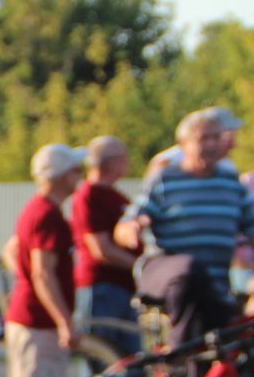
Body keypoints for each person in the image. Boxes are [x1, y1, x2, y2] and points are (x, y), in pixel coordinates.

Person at [128, 108, 254, 344]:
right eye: (203, 139)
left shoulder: (230, 183)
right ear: (183, 144)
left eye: (217, 138)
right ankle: (179, 353)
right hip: (165, 272)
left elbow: (251, 227)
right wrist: (133, 227)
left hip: (214, 286)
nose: (212, 145)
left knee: (223, 334)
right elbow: (131, 219)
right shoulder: (165, 179)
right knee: (190, 269)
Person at [4, 145, 83, 377]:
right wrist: (64, 321)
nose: (79, 176)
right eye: (75, 171)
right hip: (37, 322)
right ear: (61, 176)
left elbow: (12, 251)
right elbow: (43, 273)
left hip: (30, 315)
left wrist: (23, 276)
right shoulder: (48, 215)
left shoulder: (36, 209)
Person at [70, 136, 140, 356]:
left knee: (127, 357)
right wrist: (141, 266)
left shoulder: (113, 195)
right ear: (111, 162)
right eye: (123, 157)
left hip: (121, 287)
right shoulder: (89, 195)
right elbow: (100, 248)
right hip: (103, 288)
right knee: (104, 355)